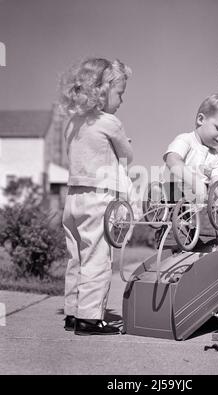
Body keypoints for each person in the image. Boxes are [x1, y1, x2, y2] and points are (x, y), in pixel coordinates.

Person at [59, 57, 133, 335]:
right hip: (98, 199)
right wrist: (125, 146)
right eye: (120, 93)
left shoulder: (72, 123)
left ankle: (72, 312)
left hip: (73, 199)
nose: (122, 100)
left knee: (75, 257)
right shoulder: (110, 122)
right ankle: (90, 318)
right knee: (97, 257)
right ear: (102, 90)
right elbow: (127, 155)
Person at [162, 93, 218, 328]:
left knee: (207, 258)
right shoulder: (185, 141)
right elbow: (172, 160)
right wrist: (194, 181)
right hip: (176, 210)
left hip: (201, 215)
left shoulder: (216, 158)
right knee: (173, 259)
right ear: (201, 119)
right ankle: (170, 311)